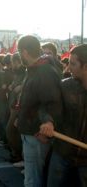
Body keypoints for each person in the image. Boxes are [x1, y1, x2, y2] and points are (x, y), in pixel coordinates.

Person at [17, 35, 62, 187]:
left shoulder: (44, 71)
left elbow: (52, 102)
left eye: (19, 52)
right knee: (33, 176)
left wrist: (48, 124)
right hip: (31, 131)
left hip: (36, 133)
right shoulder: (35, 69)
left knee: (33, 179)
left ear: (24, 52)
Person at [40, 44, 87, 187]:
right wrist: (48, 122)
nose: (68, 67)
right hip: (62, 153)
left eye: (73, 63)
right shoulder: (65, 86)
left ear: (85, 66)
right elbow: (48, 107)